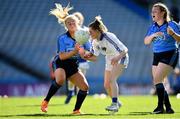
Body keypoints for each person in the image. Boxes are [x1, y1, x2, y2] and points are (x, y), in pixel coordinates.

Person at [41, 3, 91, 114]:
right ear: (66, 26)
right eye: (69, 23)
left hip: (73, 66)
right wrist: (75, 51)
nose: (71, 24)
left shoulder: (84, 36)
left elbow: (89, 52)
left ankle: (76, 110)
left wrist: (86, 54)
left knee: (85, 87)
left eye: (73, 22)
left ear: (78, 23)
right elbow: (62, 56)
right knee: (60, 80)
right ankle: (46, 101)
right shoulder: (62, 38)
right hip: (61, 63)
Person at [80, 16, 129, 113]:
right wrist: (84, 55)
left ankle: (114, 104)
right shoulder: (94, 42)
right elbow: (94, 57)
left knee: (112, 80)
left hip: (121, 57)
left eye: (91, 32)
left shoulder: (109, 36)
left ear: (98, 30)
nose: (89, 34)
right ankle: (117, 103)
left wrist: (117, 57)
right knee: (106, 85)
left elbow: (125, 50)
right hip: (110, 59)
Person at [144, 2, 180, 114]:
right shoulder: (153, 27)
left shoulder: (172, 24)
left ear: (163, 13)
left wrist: (173, 34)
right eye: (152, 11)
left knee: (158, 79)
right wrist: (153, 36)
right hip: (157, 55)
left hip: (170, 53)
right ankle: (168, 108)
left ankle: (160, 107)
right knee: (158, 81)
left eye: (155, 11)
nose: (152, 13)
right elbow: (146, 41)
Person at [64, 12, 90, 104]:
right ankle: (71, 92)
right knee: (72, 77)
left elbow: (88, 45)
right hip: (74, 59)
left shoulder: (85, 31)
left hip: (83, 60)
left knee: (81, 80)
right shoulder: (70, 33)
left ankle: (79, 99)